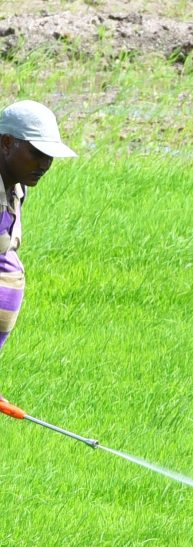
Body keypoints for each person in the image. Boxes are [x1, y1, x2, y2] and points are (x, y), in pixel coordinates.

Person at [0, 100, 77, 400]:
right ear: (7, 143)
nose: (45, 164)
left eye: (50, 156)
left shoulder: (18, 185)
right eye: (37, 153)